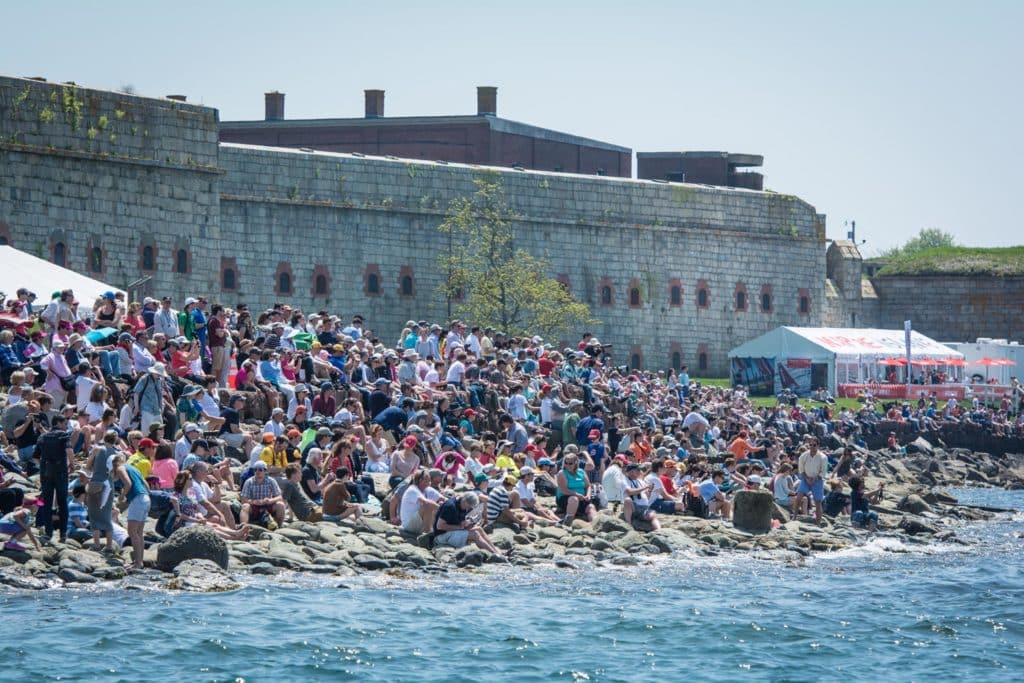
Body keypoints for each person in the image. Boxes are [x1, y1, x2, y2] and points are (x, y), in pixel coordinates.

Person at [35, 414, 75, 543]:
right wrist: (72, 464)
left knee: (46, 502)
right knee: (62, 502)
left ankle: (48, 532)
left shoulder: (43, 436)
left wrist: (42, 466)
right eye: (64, 423)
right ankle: (63, 534)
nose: (66, 426)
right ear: (58, 422)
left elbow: (35, 456)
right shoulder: (63, 435)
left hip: (46, 472)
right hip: (60, 472)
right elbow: (69, 450)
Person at [84, 431, 119, 553]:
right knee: (107, 514)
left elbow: (88, 467)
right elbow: (115, 474)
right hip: (109, 485)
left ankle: (97, 544)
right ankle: (109, 546)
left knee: (94, 515)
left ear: (104, 438)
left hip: (96, 483)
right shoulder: (117, 453)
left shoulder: (98, 449)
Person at [114, 454, 151, 569]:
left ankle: (138, 563)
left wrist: (122, 496)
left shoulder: (120, 468)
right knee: (139, 533)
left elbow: (128, 484)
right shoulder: (134, 468)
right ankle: (139, 561)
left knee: (132, 532)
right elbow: (147, 486)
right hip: (146, 498)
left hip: (138, 499)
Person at [433, 492, 501, 553]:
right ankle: (494, 554)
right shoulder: (450, 506)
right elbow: (439, 526)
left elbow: (457, 521)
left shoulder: (462, 505)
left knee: (479, 529)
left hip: (453, 531)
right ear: (464, 501)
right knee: (475, 534)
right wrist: (459, 527)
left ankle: (495, 550)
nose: (468, 509)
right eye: (468, 506)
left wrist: (469, 523)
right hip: (441, 536)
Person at [239, 461, 286, 527]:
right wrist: (254, 502)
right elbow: (243, 499)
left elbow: (279, 497)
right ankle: (243, 527)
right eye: (255, 470)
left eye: (260, 470)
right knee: (245, 506)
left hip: (268, 505)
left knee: (280, 505)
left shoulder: (271, 481)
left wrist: (270, 500)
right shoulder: (249, 482)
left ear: (265, 471)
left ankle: (279, 526)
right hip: (254, 507)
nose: (257, 472)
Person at [555, 453, 595, 525]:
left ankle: (594, 524)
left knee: (591, 507)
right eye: (566, 463)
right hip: (565, 498)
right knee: (574, 499)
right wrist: (577, 494)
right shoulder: (562, 473)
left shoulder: (581, 472)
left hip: (581, 498)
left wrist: (588, 495)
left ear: (575, 463)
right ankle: (568, 521)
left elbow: (588, 485)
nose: (567, 465)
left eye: (570, 463)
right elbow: (563, 489)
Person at [795, 438, 828, 522]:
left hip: (817, 480)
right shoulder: (803, 456)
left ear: (818, 446)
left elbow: (823, 472)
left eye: (814, 445)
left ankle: (818, 522)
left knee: (818, 502)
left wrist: (815, 479)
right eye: (810, 445)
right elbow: (801, 470)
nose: (812, 447)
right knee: (799, 496)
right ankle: (794, 517)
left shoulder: (823, 457)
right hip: (806, 478)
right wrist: (806, 478)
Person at [399, 469, 441, 534]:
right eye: (428, 480)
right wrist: (441, 508)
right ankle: (427, 533)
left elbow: (443, 498)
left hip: (417, 523)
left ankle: (434, 529)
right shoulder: (412, 490)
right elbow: (426, 502)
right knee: (428, 506)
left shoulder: (427, 489)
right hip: (408, 525)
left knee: (441, 504)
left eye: (430, 480)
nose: (430, 483)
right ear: (420, 480)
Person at [621, 463, 659, 531]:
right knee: (627, 500)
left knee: (653, 516)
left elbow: (647, 497)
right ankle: (629, 525)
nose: (640, 472)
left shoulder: (640, 481)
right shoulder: (624, 480)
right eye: (638, 470)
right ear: (632, 471)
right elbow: (630, 492)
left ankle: (659, 531)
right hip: (633, 507)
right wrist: (645, 487)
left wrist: (649, 490)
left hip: (644, 507)